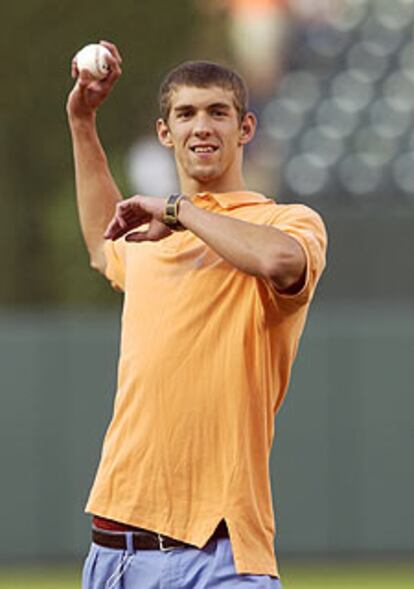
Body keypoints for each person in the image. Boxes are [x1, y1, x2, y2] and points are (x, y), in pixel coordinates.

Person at [67, 40, 327, 589]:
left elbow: (282, 261)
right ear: (166, 133)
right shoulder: (156, 240)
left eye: (218, 112)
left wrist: (178, 209)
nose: (201, 126)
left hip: (219, 553)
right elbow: (100, 243)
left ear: (245, 129)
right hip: (116, 552)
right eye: (185, 114)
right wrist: (83, 120)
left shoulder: (284, 220)